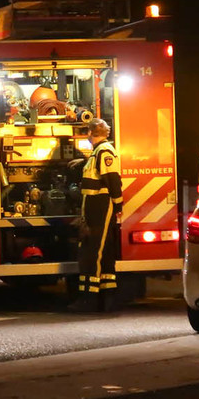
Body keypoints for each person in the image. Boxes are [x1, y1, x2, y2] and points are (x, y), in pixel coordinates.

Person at [70, 118, 123, 312]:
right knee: (104, 251)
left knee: (93, 251)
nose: (87, 136)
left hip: (100, 206)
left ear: (92, 133)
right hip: (95, 206)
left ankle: (89, 299)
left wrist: (118, 204)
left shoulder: (104, 151)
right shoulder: (98, 152)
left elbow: (112, 179)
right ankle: (107, 299)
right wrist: (84, 160)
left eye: (88, 133)